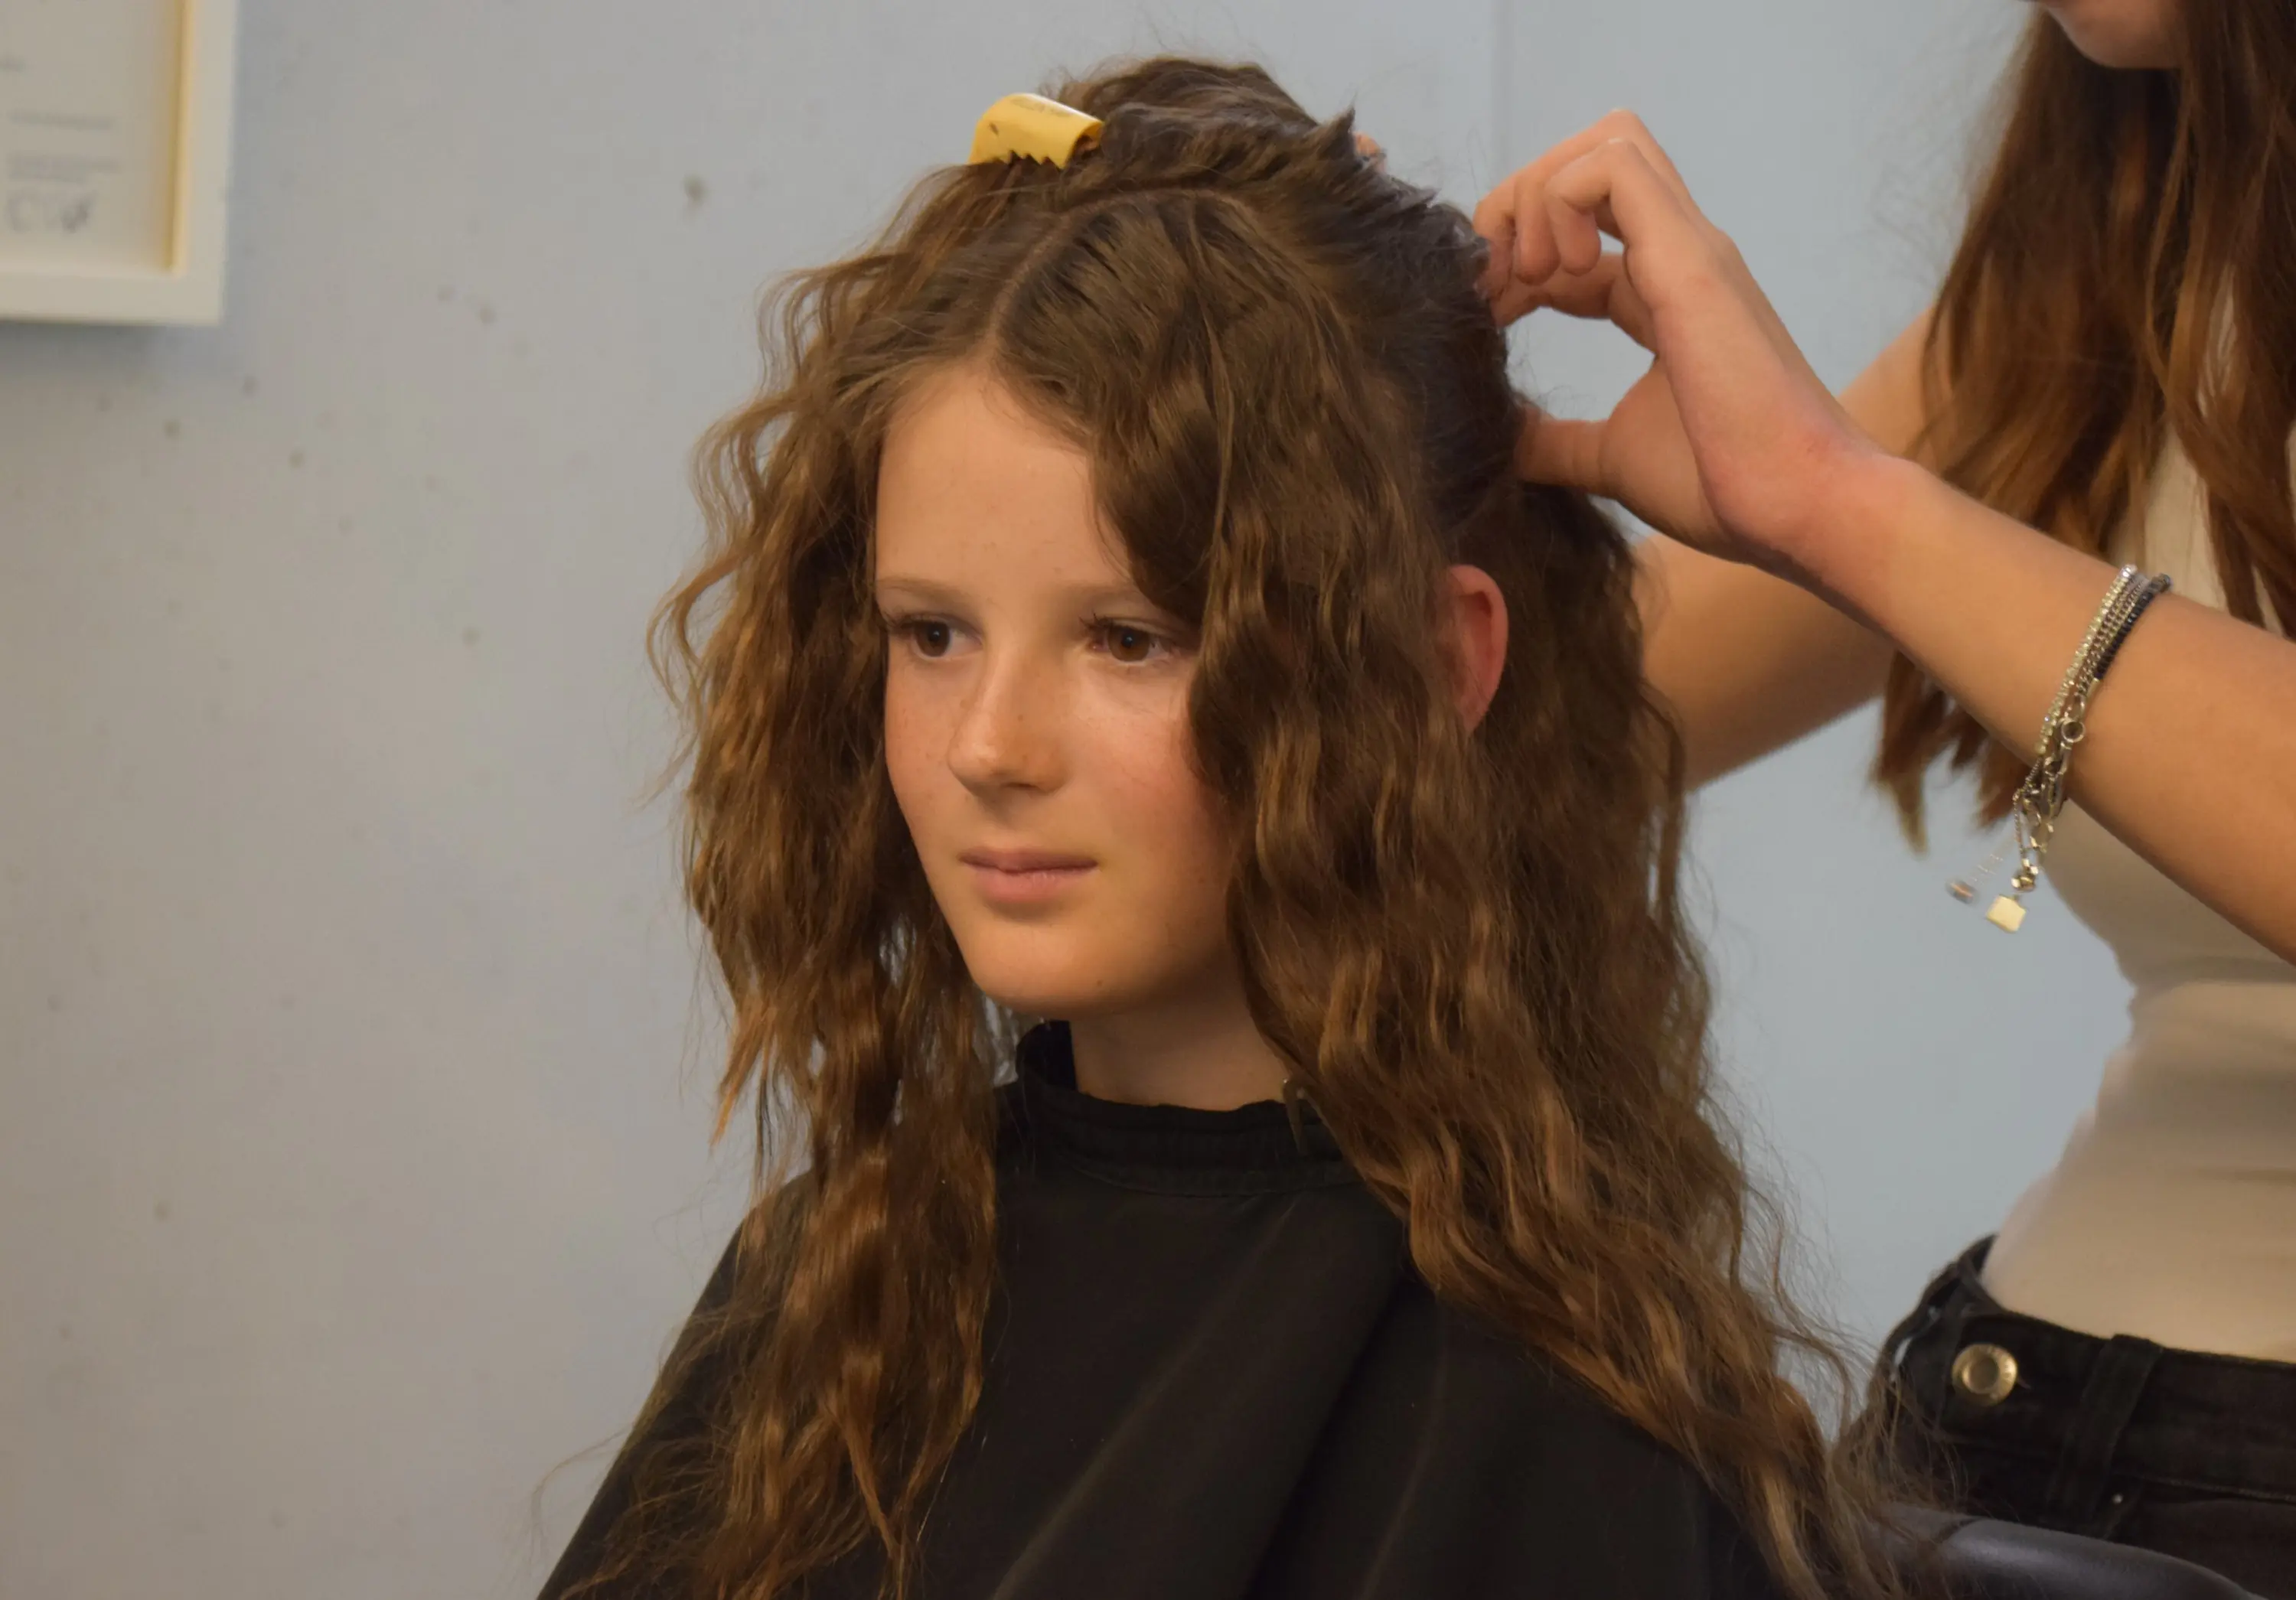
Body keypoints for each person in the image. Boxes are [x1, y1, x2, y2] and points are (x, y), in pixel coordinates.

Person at [539, 57, 1932, 1600]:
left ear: (1435, 665)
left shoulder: (1538, 1415)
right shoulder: (846, 1279)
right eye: (931, 634)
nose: (990, 748)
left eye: (1130, 637)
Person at [1468, 2, 2296, 1595]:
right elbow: (1562, 732)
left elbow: (1829, 507)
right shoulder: (2124, 241)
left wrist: (1842, 503)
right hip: (1998, 1429)